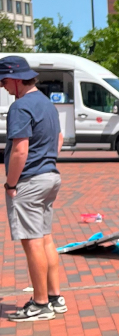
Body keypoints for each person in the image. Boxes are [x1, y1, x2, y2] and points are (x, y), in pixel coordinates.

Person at [0, 56, 65, 321]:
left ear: (16, 80)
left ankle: (40, 304)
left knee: (32, 242)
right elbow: (59, 137)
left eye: (3, 81)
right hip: (49, 176)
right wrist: (47, 160)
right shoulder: (47, 103)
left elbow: (19, 149)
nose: (3, 87)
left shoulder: (21, 106)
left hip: (29, 180)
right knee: (45, 238)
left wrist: (11, 183)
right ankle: (54, 297)